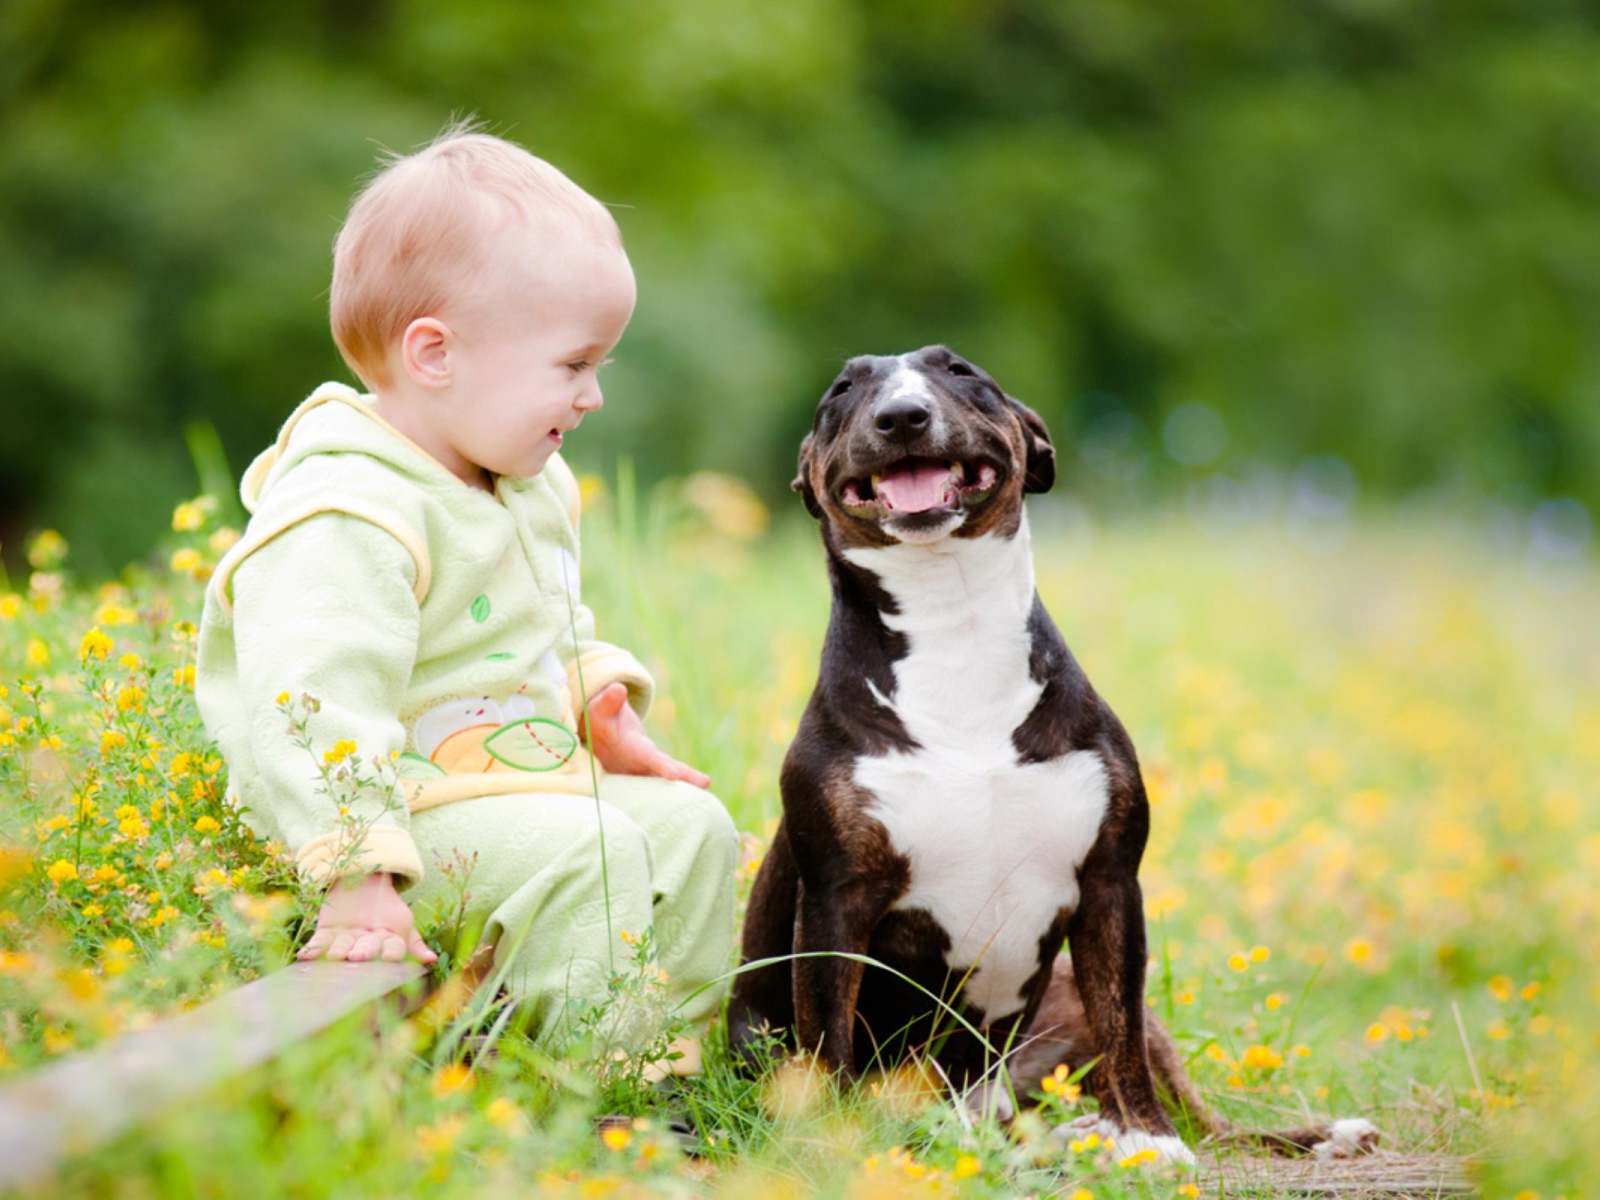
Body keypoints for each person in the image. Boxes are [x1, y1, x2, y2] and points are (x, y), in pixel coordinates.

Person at [195, 123, 738, 1065]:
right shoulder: (348, 509)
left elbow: (551, 625)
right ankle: (573, 1097)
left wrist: (595, 699)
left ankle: (670, 1074)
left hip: (511, 787)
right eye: (574, 365)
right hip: (391, 825)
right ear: (436, 355)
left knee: (693, 829)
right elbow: (310, 704)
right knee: (589, 859)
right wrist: (358, 871)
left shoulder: (526, 484)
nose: (594, 396)